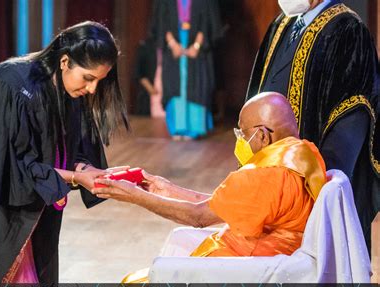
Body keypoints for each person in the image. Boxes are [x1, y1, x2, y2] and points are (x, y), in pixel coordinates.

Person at [0, 21, 129, 285]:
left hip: (14, 192)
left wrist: (88, 170)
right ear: (64, 61)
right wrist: (76, 178)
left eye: (98, 81)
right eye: (88, 78)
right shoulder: (10, 85)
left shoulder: (69, 90)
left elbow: (66, 150)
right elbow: (8, 166)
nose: (92, 89)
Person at [94, 92, 326, 263]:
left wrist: (135, 197)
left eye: (242, 133)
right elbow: (222, 205)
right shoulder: (305, 154)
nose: (240, 140)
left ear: (263, 136)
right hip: (282, 255)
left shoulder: (263, 175)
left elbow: (199, 217)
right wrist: (167, 189)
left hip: (248, 263)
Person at [245, 0, 379, 252]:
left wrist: (316, 186)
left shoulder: (348, 31)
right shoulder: (282, 23)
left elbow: (351, 121)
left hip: (309, 194)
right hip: (269, 181)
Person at [152, 0, 222, 139]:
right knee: (175, 85)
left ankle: (194, 129)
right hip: (173, 45)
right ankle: (177, 128)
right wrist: (172, 44)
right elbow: (161, 20)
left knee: (196, 84)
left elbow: (208, 20)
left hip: (198, 47)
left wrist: (196, 46)